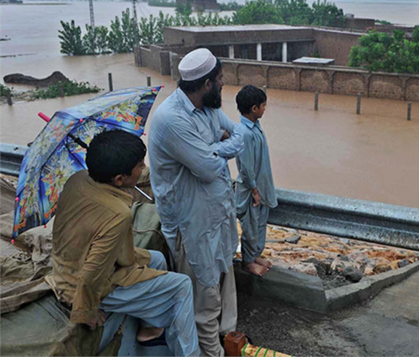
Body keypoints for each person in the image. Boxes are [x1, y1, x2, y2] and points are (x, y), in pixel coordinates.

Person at [46, 130, 200, 357]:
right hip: (79, 285)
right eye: (139, 165)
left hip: (67, 264)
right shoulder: (117, 214)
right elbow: (92, 274)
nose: (143, 167)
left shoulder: (77, 179)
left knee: (156, 258)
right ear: (119, 179)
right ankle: (190, 353)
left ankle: (149, 328)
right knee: (182, 286)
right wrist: (85, 312)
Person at [148, 48, 244, 356]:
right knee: (203, 295)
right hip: (192, 224)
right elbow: (205, 170)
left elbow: (239, 134)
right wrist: (218, 150)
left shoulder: (208, 108)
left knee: (223, 276)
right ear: (206, 84)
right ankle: (210, 352)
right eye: (220, 80)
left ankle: (228, 336)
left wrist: (212, 147)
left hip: (217, 212)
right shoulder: (172, 119)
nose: (223, 85)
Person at [234, 85, 278, 277]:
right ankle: (247, 262)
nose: (264, 109)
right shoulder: (244, 133)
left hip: (261, 187)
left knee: (260, 224)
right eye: (263, 106)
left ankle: (255, 255)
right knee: (251, 226)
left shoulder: (255, 128)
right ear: (254, 108)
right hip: (252, 191)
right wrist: (254, 190)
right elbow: (246, 167)